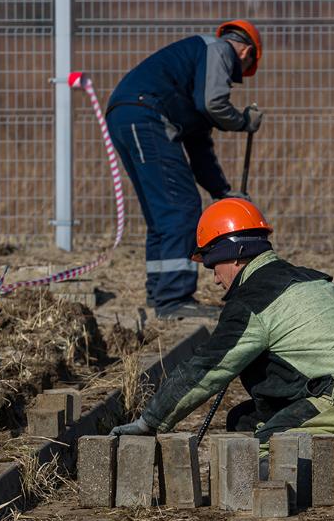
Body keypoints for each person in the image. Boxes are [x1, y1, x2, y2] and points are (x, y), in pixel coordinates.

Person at [110, 199, 334, 463]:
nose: (215, 279)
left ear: (235, 254)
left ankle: (296, 491)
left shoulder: (254, 299)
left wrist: (150, 421)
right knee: (242, 421)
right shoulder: (309, 281)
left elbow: (206, 368)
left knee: (265, 454)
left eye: (213, 264)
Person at [105, 20, 265, 320]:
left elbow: (199, 148)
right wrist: (243, 121)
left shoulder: (188, 83)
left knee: (162, 213)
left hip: (127, 114)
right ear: (245, 52)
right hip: (145, 114)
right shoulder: (219, 50)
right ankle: (175, 300)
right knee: (181, 208)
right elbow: (214, 104)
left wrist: (223, 192)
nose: (231, 81)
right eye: (238, 76)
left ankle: (159, 293)